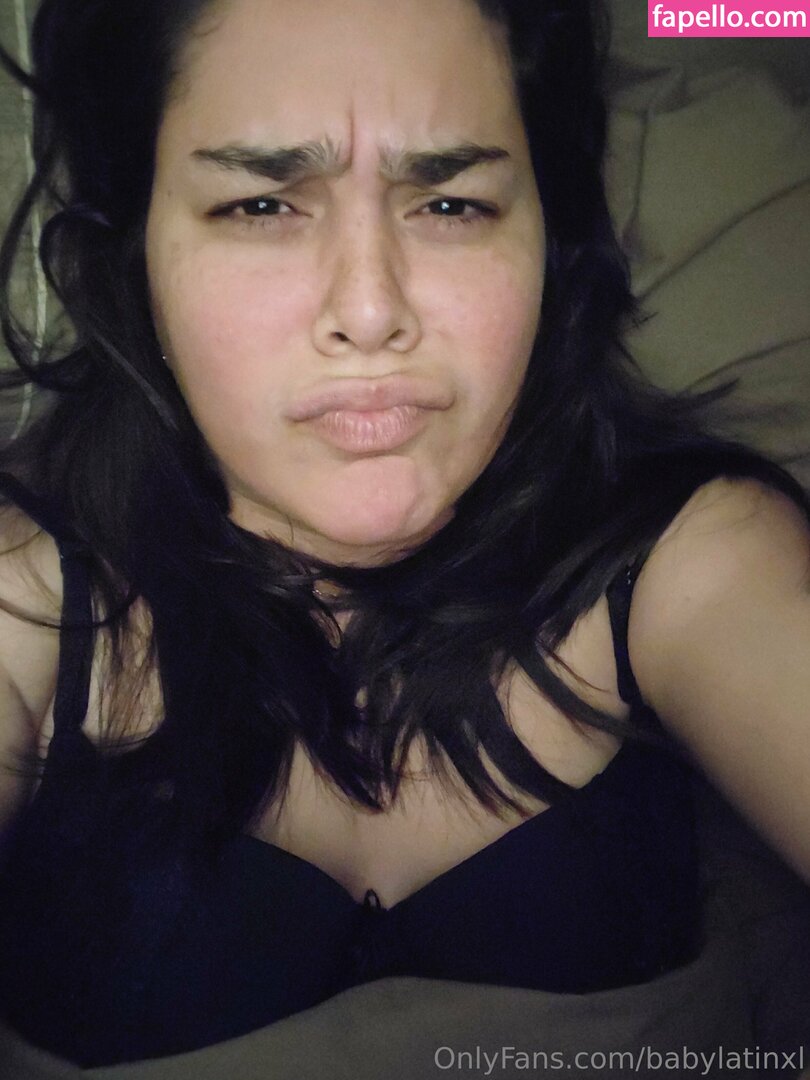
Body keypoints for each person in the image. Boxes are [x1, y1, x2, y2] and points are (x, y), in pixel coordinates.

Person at [0, 0, 808, 1074]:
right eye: (259, 205)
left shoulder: (693, 557)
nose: (373, 309)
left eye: (450, 203)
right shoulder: (24, 603)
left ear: (548, 240)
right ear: (136, 250)